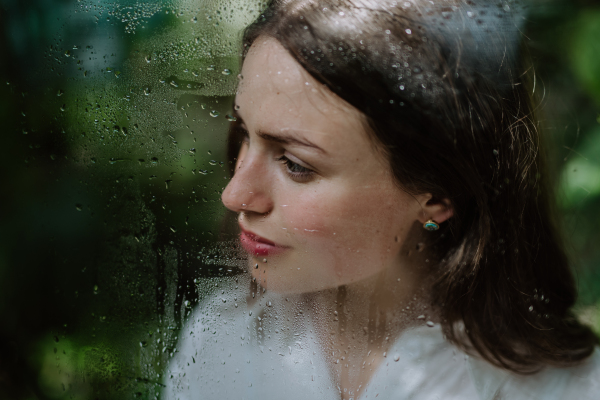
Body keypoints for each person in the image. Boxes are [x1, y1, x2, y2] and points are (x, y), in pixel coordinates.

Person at [162, 1, 600, 398]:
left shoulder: (560, 388)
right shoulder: (223, 340)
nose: (235, 193)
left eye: (295, 163)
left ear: (438, 196)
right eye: (244, 134)